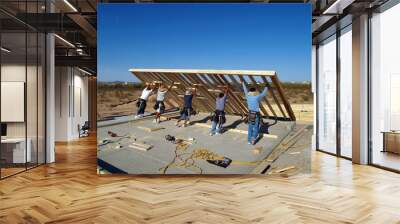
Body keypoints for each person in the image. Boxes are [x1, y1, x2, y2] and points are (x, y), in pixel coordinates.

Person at [241, 81, 268, 145]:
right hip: (256, 114)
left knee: (250, 127)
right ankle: (253, 138)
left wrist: (242, 83)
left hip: (250, 114)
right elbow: (263, 94)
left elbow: (245, 90)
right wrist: (266, 87)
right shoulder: (257, 97)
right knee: (256, 127)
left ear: (249, 91)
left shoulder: (247, 96)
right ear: (255, 92)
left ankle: (249, 141)